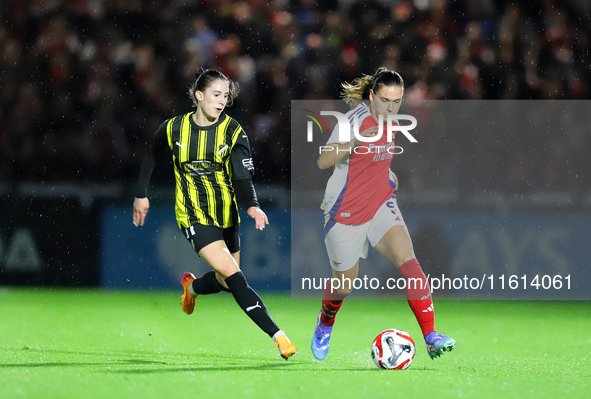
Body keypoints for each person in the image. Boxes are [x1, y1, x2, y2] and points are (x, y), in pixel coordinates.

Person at [133, 68, 297, 360]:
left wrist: (252, 205)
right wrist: (141, 193)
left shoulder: (232, 131)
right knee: (236, 278)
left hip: (227, 216)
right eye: (216, 94)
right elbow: (150, 153)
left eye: (225, 96)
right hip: (194, 217)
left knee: (224, 282)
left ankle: (192, 287)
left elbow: (242, 176)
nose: (222, 101)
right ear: (199, 95)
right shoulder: (173, 128)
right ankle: (279, 337)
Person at [311, 67, 456, 360]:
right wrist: (354, 141)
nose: (391, 107)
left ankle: (430, 336)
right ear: (371, 96)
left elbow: (374, 158)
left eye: (397, 101)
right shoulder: (353, 121)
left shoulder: (391, 120)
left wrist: (387, 174)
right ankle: (325, 323)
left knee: (408, 260)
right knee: (344, 285)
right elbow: (323, 160)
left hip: (379, 203)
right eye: (385, 100)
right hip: (345, 210)